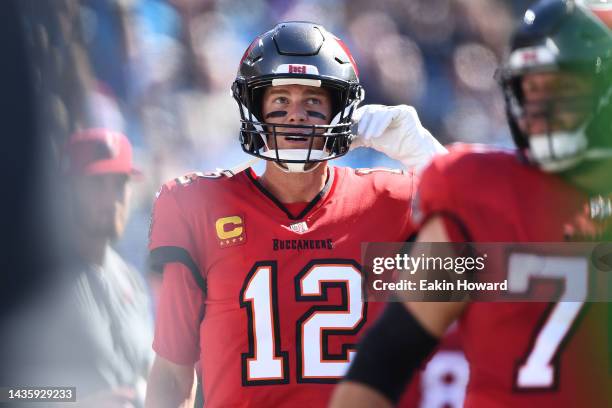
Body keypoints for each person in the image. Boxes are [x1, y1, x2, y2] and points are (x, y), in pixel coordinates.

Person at [145, 21, 446, 407]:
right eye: (280, 101)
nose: (295, 116)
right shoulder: (196, 206)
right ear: (253, 106)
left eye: (313, 103)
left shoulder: (388, 198)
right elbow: (172, 370)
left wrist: (430, 157)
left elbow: (504, 266)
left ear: (342, 110)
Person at [331, 1, 612, 407]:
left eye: (565, 89)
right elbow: (385, 359)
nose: (541, 110)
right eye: (531, 89)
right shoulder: (483, 197)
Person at [5, 129, 154, 408]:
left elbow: (154, 373)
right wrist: (78, 400)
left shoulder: (129, 279)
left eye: (120, 184)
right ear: (67, 190)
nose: (111, 200)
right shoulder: (38, 278)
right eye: (97, 183)